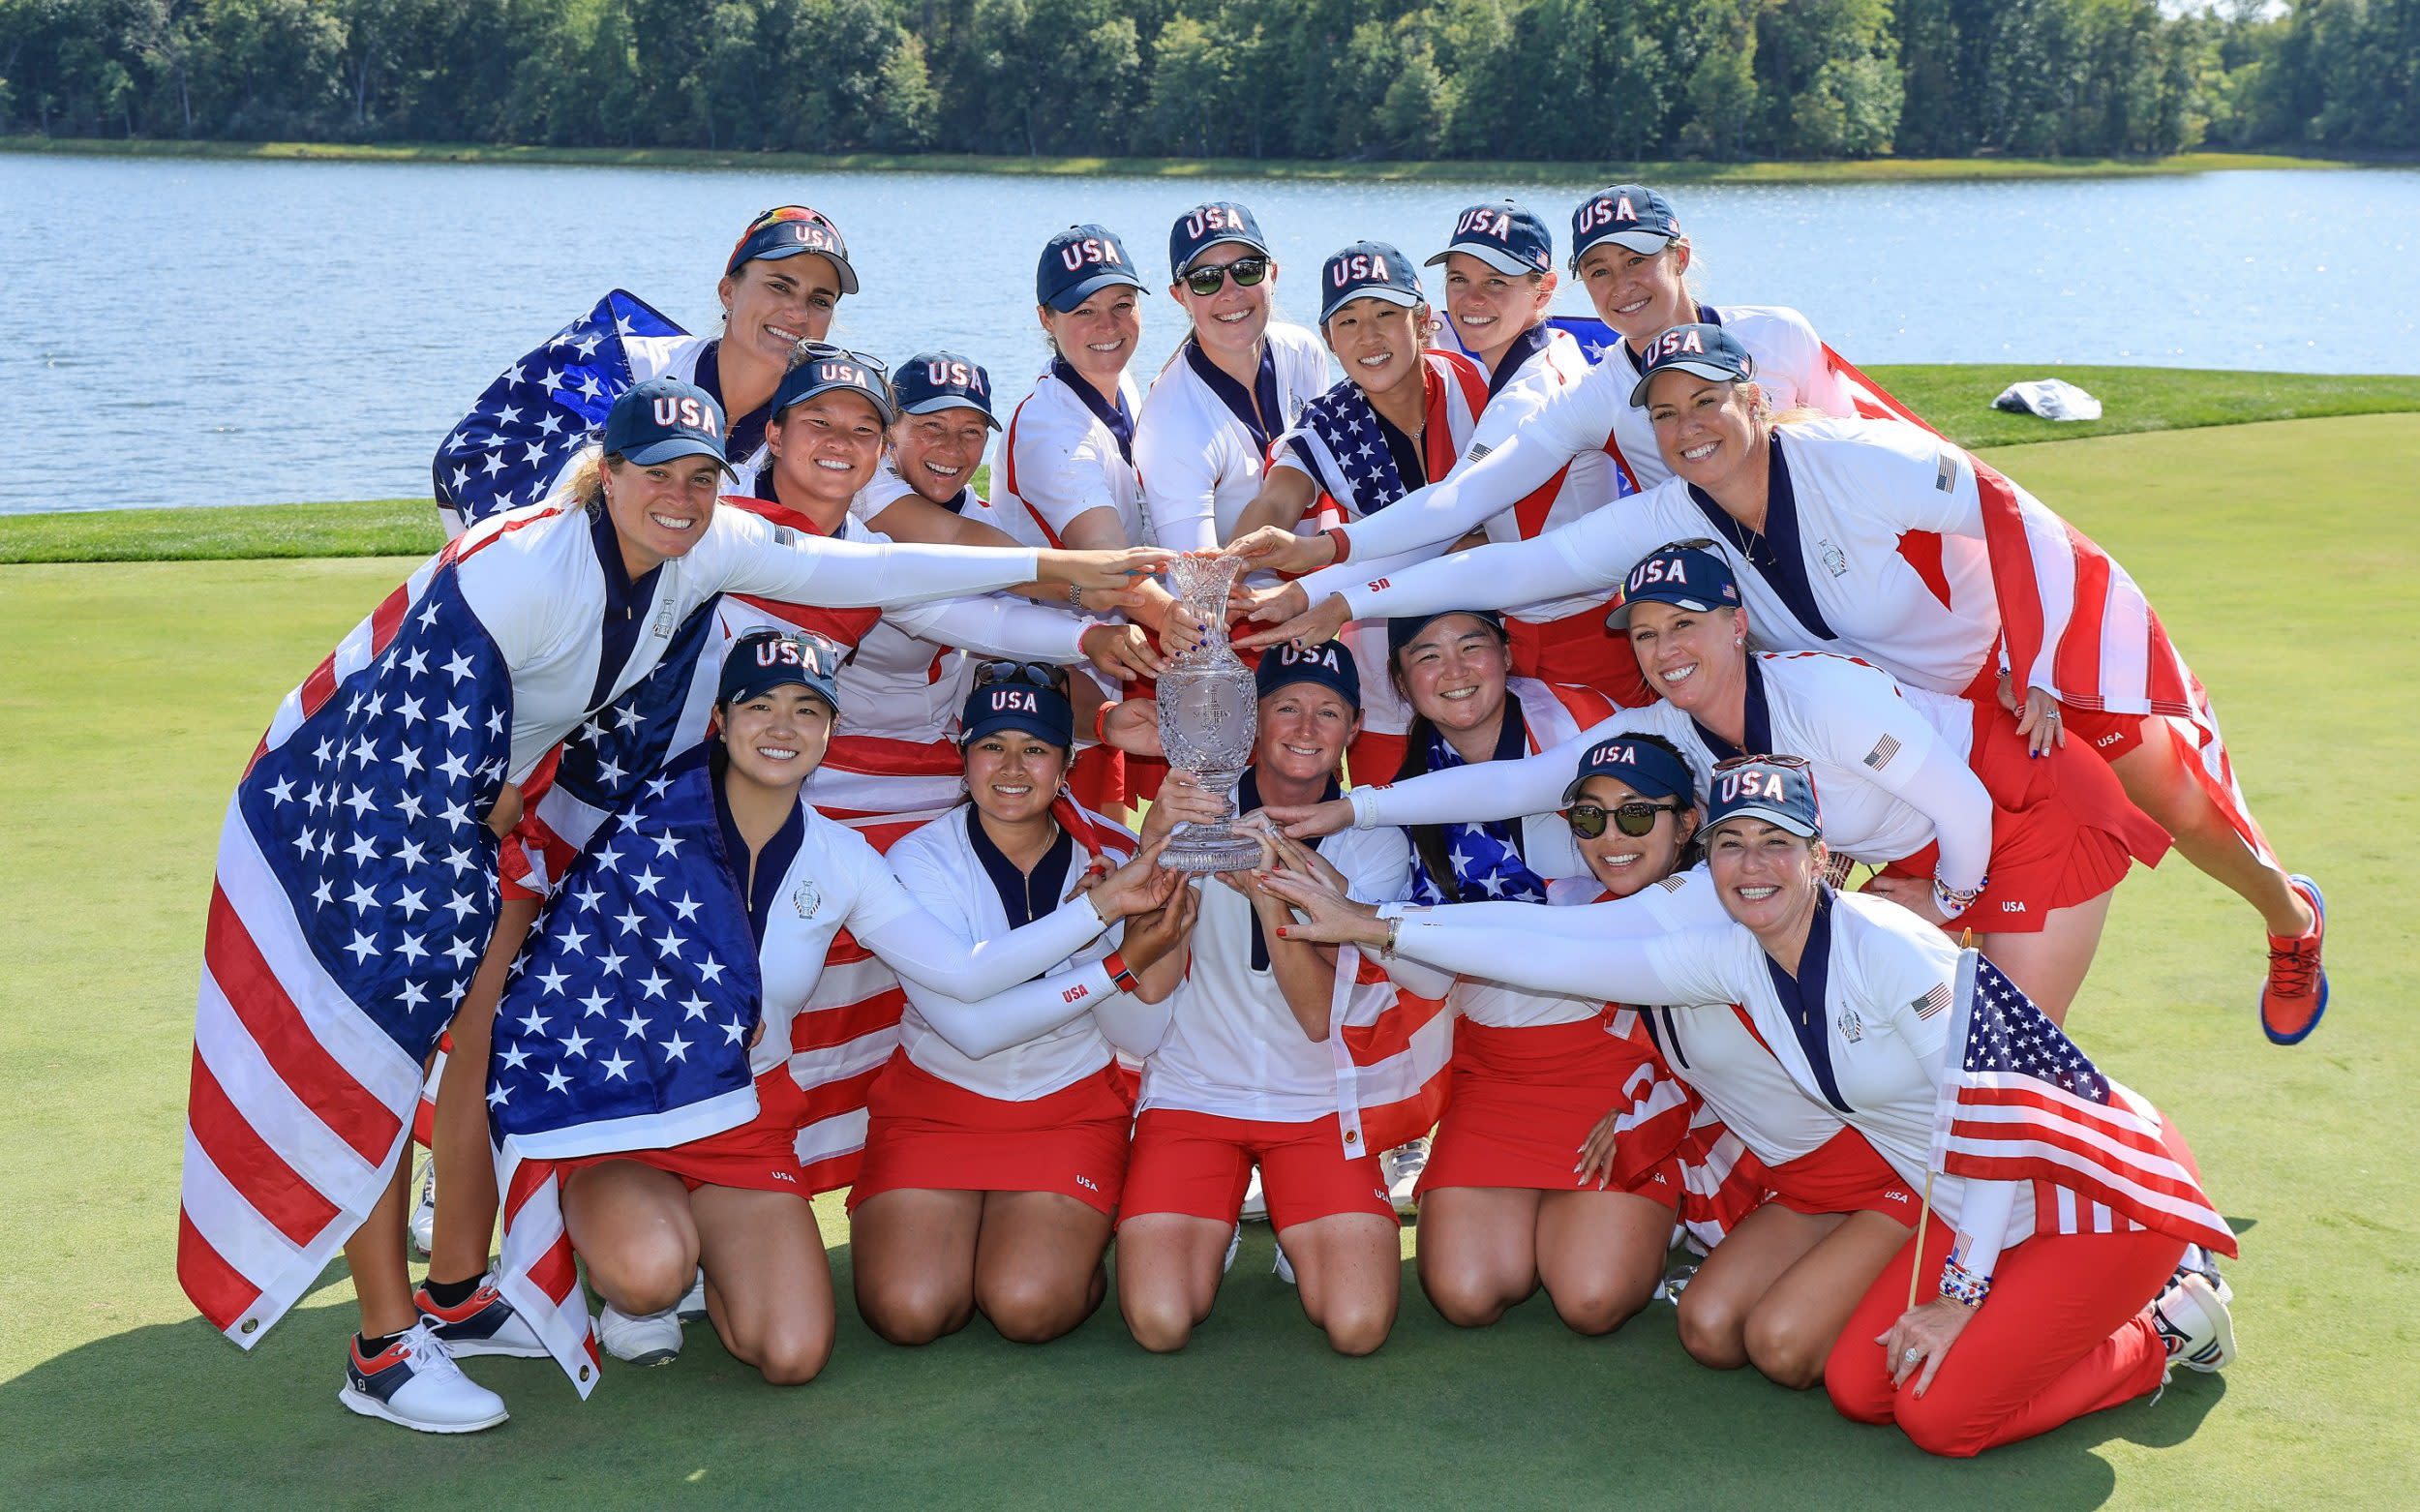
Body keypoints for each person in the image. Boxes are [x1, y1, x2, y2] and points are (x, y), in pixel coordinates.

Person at [179, 374, 1166, 1436]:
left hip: (481, 796)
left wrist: (1067, 570)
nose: (683, 496)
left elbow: (873, 565)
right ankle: (380, 1345)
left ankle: (462, 1293)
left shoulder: (706, 544)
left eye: (702, 476)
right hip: (356, 797)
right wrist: (491, 806)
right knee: (377, 1047)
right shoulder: (519, 566)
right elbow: (420, 725)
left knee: (475, 1043)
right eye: (658, 474)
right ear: (607, 475)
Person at [1246, 324, 2329, 1042]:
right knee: (1928, 1016)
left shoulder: (1847, 456)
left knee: (2171, 796)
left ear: (1750, 395)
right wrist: (1345, 582)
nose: (1686, 431)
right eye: (1663, 418)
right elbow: (1510, 566)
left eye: (1704, 404)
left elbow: (2011, 508)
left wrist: (2046, 654)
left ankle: (2288, 918)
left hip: (2011, 663)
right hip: (1899, 713)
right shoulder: (1672, 520)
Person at [1271, 756, 2241, 1456]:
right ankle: (2040, 1318)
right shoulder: (1733, 954)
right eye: (1733, 841)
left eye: (1774, 842)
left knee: (1940, 1421)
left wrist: (1960, 1298)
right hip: (1962, 1201)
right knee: (1864, 1390)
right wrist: (1373, 923)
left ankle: (2163, 1326)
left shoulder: (1894, 949)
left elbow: (1999, 1127)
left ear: (1819, 856)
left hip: (2085, 1191)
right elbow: (1551, 946)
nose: (1750, 863)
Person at [487, 630, 1187, 1388]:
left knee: (795, 1356)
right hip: (631, 1115)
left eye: (806, 709)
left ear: (830, 731)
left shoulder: (843, 858)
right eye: (760, 706)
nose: (782, 728)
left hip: (743, 1121)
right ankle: (651, 1282)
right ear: (719, 719)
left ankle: (709, 1257)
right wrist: (1110, 943)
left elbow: (964, 974)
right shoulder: (641, 825)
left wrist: (1111, 930)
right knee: (652, 1269)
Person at [1267, 543, 2167, 1019]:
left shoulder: (1820, 694)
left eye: (1684, 626)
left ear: (1736, 625)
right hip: (1929, 849)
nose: (1665, 651)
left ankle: (2161, 1272)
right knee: (1944, 1049)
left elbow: (1966, 806)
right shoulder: (1668, 728)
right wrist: (1356, 807)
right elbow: (1520, 784)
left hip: (2030, 818)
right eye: (1647, 635)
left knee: (2001, 1057)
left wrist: (1943, 902)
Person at [1226, 183, 1860, 680]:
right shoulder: (1593, 387)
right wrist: (1322, 571)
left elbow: (1857, 459)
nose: (1622, 285)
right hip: (1686, 614)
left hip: (1815, 591)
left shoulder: (1776, 334)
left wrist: (1324, 574)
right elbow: (1466, 506)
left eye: (1638, 260)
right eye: (1461, 282)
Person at [849, 665, 1206, 1346]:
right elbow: (971, 1031)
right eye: (993, 745)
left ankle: (1058, 1253)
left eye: (1036, 749)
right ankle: (996, 1233)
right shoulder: (918, 859)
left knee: (1027, 1305)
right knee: (909, 1310)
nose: (1012, 768)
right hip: (938, 1102)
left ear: (1068, 764)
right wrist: (1106, 953)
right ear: (963, 755)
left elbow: (1145, 1027)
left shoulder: (1114, 853)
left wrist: (1127, 942)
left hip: (1065, 1103)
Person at [1114, 640, 1435, 1357]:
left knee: (1357, 1325)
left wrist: (1267, 891)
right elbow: (1151, 973)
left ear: (1354, 729)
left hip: (1320, 1100)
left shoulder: (1370, 840)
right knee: (1162, 1320)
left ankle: (1298, 1223)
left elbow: (1322, 1018)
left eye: (1329, 711)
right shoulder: (1199, 809)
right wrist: (1153, 849)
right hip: (1196, 1094)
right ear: (1253, 722)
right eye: (1286, 706)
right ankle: (1215, 1220)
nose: (1306, 727)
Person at [1225, 241, 1491, 777]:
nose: (1368, 337)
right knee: (1387, 816)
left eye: (1386, 314)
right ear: (1329, 340)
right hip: (1383, 659)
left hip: (1487, 649)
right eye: (1347, 321)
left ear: (1422, 320)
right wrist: (1236, 562)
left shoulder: (1479, 386)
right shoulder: (1326, 425)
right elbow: (1279, 496)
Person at [437, 204, 862, 533]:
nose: (797, 312)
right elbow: (471, 455)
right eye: (779, 285)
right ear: (728, 291)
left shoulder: (824, 420)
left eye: (820, 300)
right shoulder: (626, 362)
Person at [996, 223, 1194, 811]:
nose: (1108, 328)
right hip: (1041, 675)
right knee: (1076, 863)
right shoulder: (1049, 426)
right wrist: (1195, 623)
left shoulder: (1116, 382)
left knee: (1117, 853)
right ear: (1045, 319)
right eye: (1084, 310)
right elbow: (1114, 568)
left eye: (1123, 305)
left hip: (1102, 661)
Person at [1133, 200, 1331, 554]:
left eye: (1247, 269)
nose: (1230, 291)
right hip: (1228, 598)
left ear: (1272, 274)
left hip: (1311, 573)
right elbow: (1194, 587)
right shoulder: (1171, 420)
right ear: (1180, 297)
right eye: (1205, 279)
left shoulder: (1303, 353)